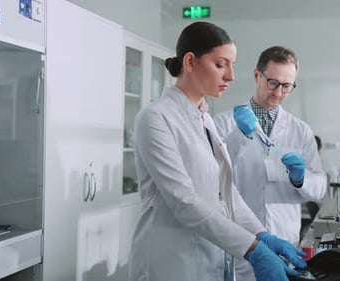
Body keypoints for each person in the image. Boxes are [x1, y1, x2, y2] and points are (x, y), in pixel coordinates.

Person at [129, 22, 306, 281]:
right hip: (171, 264)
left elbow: (226, 194)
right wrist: (253, 250)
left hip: (211, 260)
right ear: (190, 61)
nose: (231, 76)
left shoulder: (204, 118)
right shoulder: (155, 118)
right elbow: (184, 202)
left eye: (232, 66)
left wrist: (261, 235)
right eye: (221, 65)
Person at [214, 46, 327, 281]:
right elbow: (213, 175)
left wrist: (300, 178)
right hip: (240, 242)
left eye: (287, 86)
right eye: (273, 83)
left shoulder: (300, 131)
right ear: (257, 75)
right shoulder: (225, 123)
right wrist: (238, 137)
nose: (279, 92)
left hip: (285, 239)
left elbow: (320, 188)